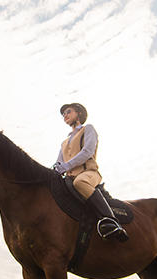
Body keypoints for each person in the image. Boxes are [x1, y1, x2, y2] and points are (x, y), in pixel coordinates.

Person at [53, 103, 128, 242]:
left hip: (89, 173)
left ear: (79, 114)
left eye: (68, 112)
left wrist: (66, 166)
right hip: (70, 177)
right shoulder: (64, 142)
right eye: (63, 114)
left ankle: (111, 220)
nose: (65, 115)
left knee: (80, 182)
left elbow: (87, 152)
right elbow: (58, 163)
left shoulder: (88, 129)